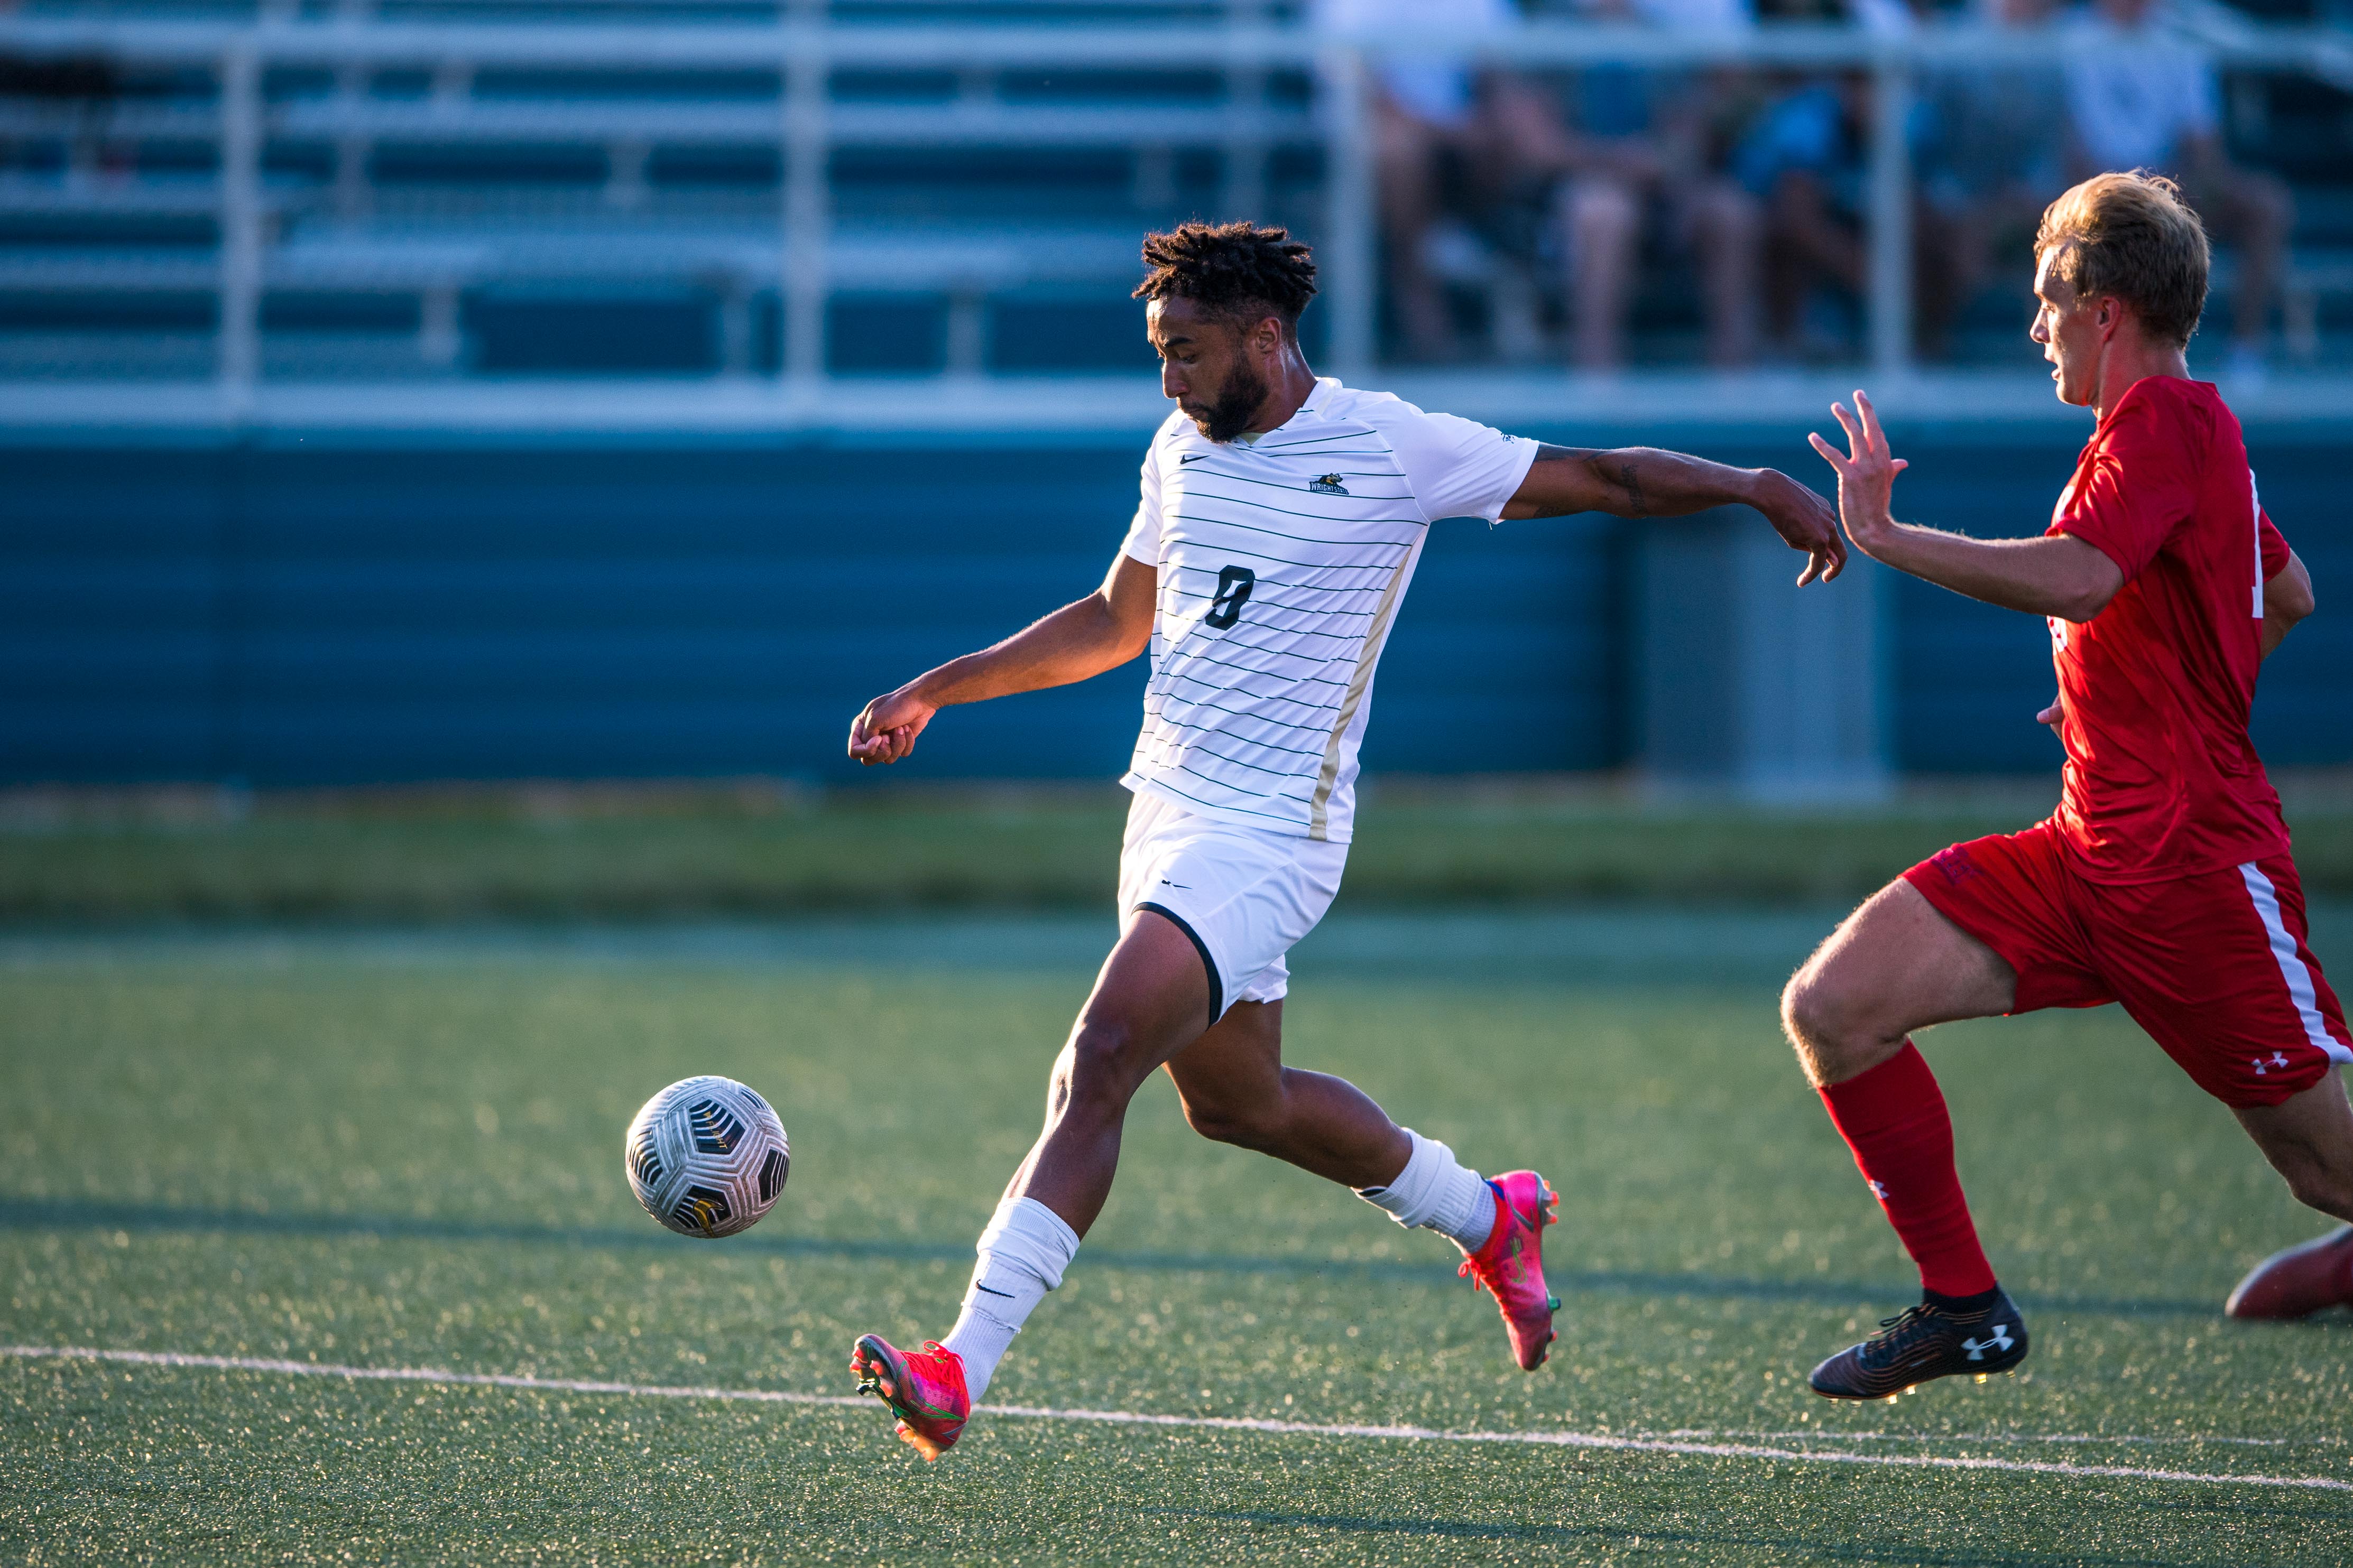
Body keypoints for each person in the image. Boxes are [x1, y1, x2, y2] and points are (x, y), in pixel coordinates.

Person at [842, 220, 1846, 1458]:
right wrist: (937, 686)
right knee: (1239, 1103)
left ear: (1266, 336)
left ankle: (959, 1364)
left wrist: (1754, 488)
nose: (1168, 380)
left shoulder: (1388, 444)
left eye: (1189, 352)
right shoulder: (1181, 446)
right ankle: (1486, 1215)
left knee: (1100, 1052)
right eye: (1159, 354)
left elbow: (1607, 477)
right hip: (1161, 819)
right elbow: (1116, 618)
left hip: (1271, 835)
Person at [1786, 171, 2349, 1403]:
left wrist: (1886, 537)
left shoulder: (2160, 424)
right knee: (1835, 1003)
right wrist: (2132, 685)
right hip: (2085, 847)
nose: (2033, 326)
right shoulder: (2170, 436)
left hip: (2192, 867)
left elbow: (2082, 575)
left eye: (2046, 300)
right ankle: (1962, 1306)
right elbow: (2283, 592)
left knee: (2325, 1168)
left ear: (2102, 309)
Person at [2062, 0, 2294, 377]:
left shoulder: (2179, 41)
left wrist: (2166, 187)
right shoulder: (2065, 42)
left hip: (2170, 188)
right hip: (2088, 198)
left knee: (2265, 206)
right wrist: (2121, 191)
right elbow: (2068, 151)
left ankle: (2245, 354)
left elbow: (2202, 145)